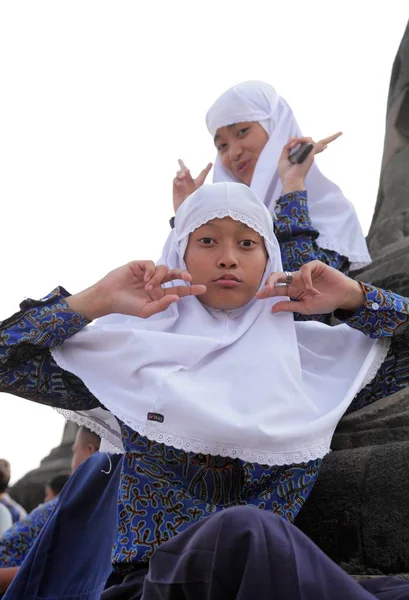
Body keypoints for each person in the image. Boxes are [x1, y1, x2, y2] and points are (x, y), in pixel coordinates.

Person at [0, 142, 408, 598]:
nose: (228, 257)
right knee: (244, 531)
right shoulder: (135, 358)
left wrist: (356, 297)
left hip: (262, 582)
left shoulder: (309, 362)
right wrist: (93, 299)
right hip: (150, 586)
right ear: (181, 253)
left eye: (247, 243)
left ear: (269, 258)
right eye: (208, 240)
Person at [173, 80, 371, 282]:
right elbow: (189, 292)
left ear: (277, 128)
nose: (233, 153)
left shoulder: (331, 211)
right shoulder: (225, 221)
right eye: (222, 146)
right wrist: (187, 218)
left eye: (242, 131)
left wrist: (292, 188)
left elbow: (305, 284)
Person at [0, 427, 100, 594]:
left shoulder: (71, 508)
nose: (72, 462)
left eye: (75, 452)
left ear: (90, 452)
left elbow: (46, 570)